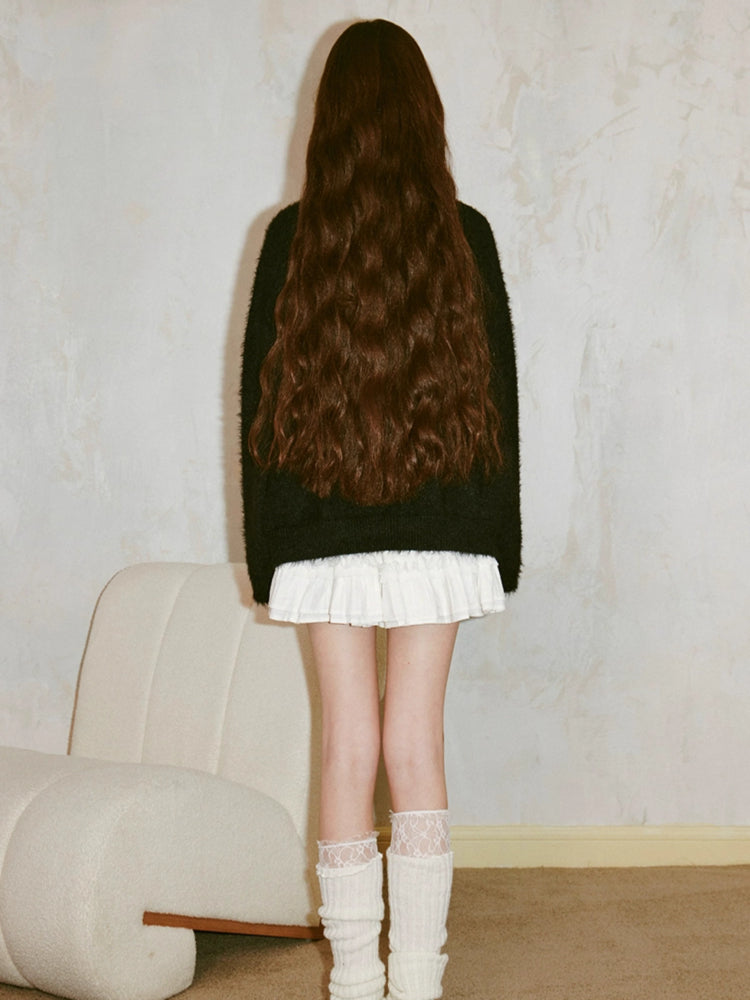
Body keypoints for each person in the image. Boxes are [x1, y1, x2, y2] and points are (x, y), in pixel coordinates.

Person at [241, 19, 520, 1000]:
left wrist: (270, 556)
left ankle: (355, 983)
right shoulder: (465, 235)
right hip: (443, 536)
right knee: (416, 746)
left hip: (322, 542)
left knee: (347, 749)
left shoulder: (292, 239)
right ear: (422, 117)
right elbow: (499, 407)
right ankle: (418, 983)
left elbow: (260, 418)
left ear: (330, 123)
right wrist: (499, 547)